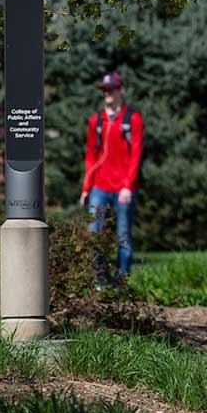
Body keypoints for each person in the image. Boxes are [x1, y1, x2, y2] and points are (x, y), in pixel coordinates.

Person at [80, 70, 144, 280]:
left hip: (124, 189)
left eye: (111, 89)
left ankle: (122, 281)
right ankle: (100, 279)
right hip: (100, 187)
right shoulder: (96, 121)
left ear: (120, 91)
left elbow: (136, 154)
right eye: (104, 90)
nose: (107, 93)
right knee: (95, 232)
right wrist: (86, 188)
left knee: (123, 236)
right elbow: (91, 156)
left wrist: (127, 185)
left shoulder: (132, 119)